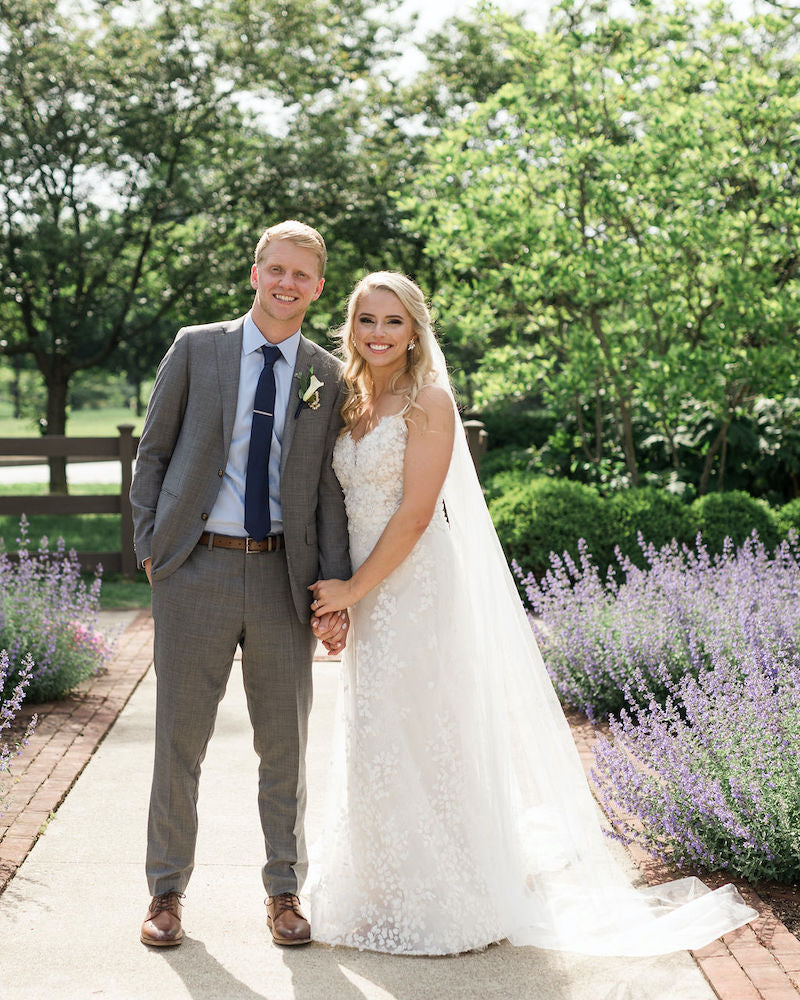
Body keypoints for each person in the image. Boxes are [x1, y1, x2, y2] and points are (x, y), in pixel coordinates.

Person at [304, 271, 758, 957]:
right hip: (365, 587)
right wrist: (337, 589)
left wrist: (353, 589)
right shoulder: (346, 397)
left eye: (392, 321)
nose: (377, 333)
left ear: (415, 328)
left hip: (416, 586)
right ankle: (378, 886)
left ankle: (448, 897)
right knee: (374, 731)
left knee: (426, 732)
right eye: (366, 320)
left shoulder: (430, 402)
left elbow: (418, 514)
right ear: (350, 325)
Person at [130, 220, 350, 949]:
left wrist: (332, 587)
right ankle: (165, 895)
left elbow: (326, 492)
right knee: (178, 742)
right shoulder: (199, 348)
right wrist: (151, 549)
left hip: (283, 577)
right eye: (276, 270)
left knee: (284, 745)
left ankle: (284, 891)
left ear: (318, 289)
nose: (288, 284)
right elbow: (152, 454)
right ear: (255, 272)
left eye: (303, 276)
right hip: (196, 569)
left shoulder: (326, 372)